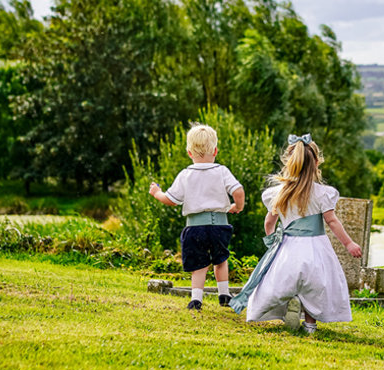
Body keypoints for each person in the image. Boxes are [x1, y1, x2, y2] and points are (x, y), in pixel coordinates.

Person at [229, 134, 362, 334]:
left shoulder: (279, 193)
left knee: (280, 283)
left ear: (288, 162)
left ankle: (289, 307)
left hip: (288, 248)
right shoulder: (322, 193)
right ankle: (310, 324)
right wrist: (349, 244)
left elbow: (269, 222)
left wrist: (273, 240)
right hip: (315, 247)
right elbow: (332, 221)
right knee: (316, 286)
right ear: (316, 163)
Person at [149, 124, 245, 311]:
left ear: (189, 152)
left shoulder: (186, 174)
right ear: (215, 150)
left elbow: (171, 200)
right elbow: (238, 190)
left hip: (195, 227)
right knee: (220, 259)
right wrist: (237, 207)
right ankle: (224, 294)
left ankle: (196, 299)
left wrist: (157, 193)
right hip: (220, 225)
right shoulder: (222, 171)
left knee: (199, 264)